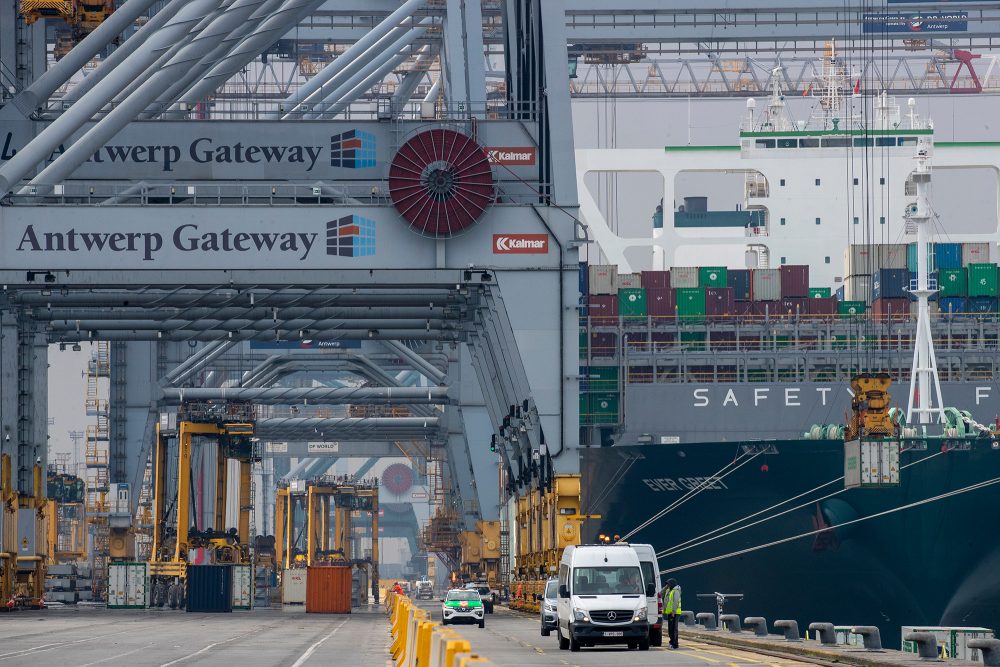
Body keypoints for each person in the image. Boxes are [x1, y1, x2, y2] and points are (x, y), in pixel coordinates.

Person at [664, 578, 682, 649]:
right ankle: (672, 642)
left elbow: (675, 602)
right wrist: (665, 587)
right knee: (670, 629)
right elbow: (660, 593)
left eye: (668, 584)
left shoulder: (676, 591)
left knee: (674, 629)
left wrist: (673, 612)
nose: (667, 585)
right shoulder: (669, 590)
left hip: (675, 613)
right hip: (670, 612)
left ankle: (674, 643)